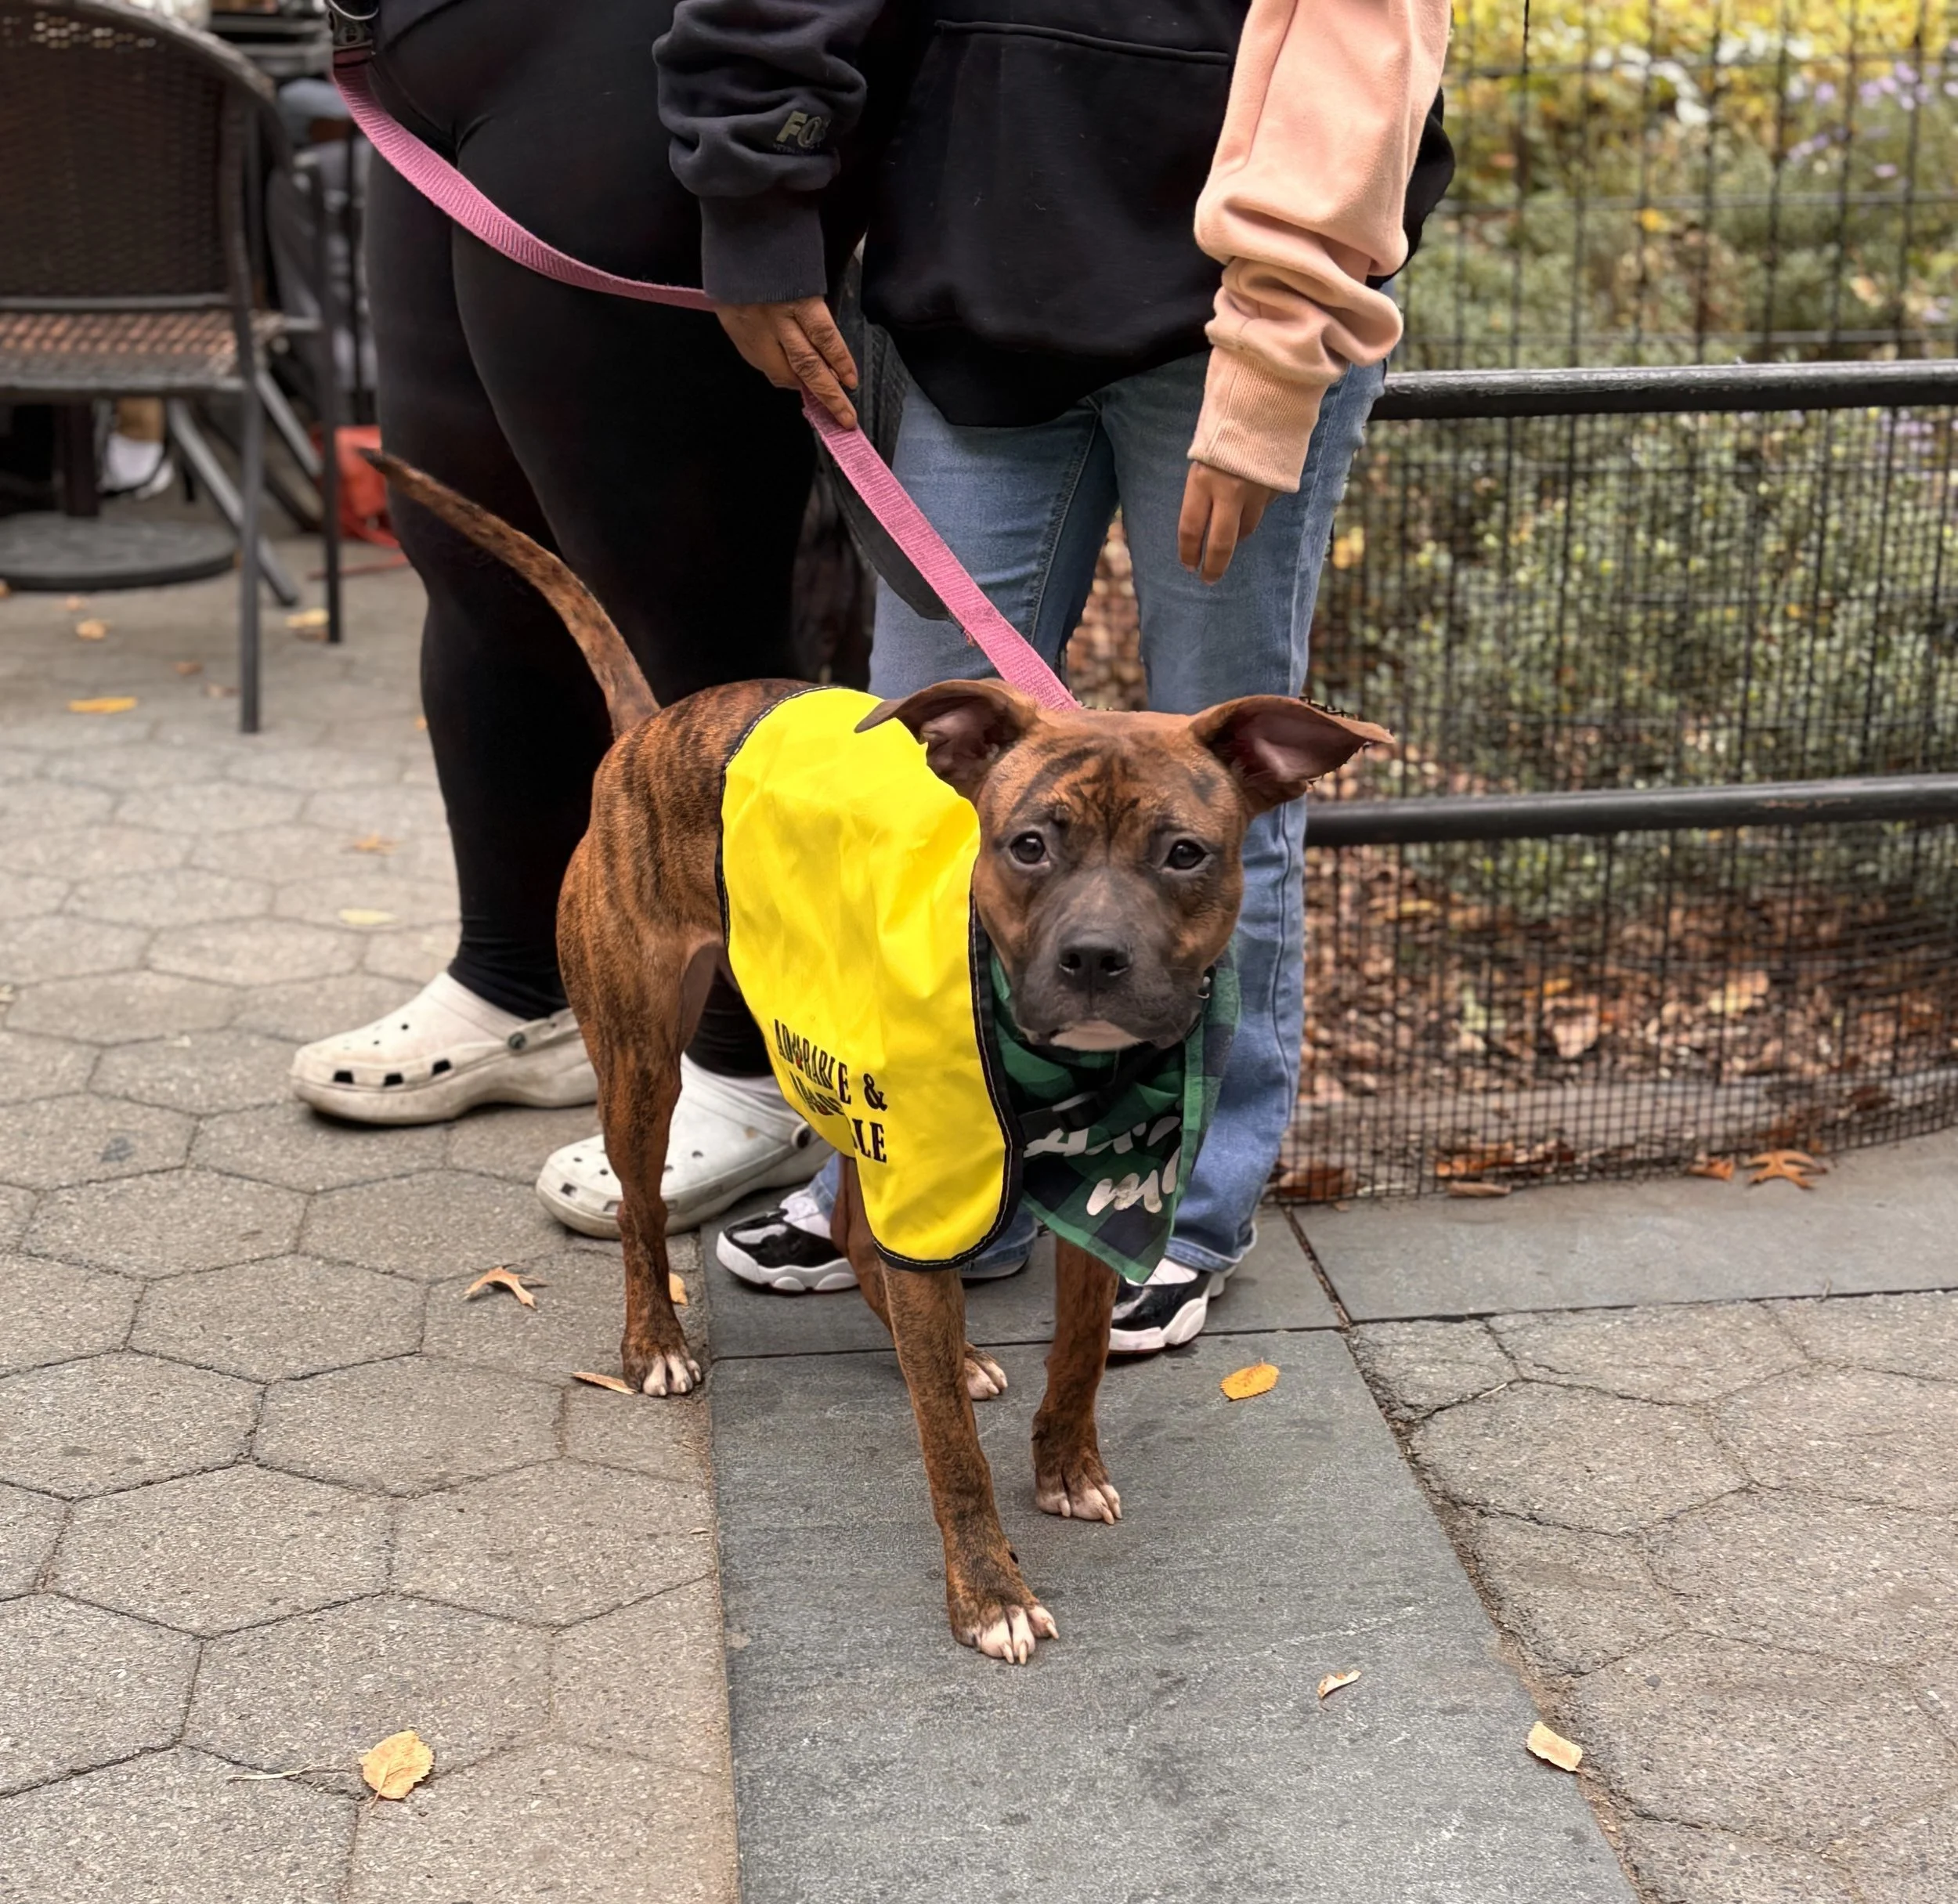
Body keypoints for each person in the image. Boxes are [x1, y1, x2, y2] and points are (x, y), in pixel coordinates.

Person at [602, 0, 1454, 1347]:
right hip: (969, 284)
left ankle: (1180, 1205)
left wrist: (1284, 331)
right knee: (916, 799)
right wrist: (758, 205)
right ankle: (925, 1179)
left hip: (1238, 313)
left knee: (1224, 803)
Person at [286, 0, 876, 1234]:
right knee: (475, 556)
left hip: (632, 56)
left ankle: (757, 1064)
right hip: (424, 61)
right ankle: (525, 982)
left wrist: (762, 177)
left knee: (686, 621)